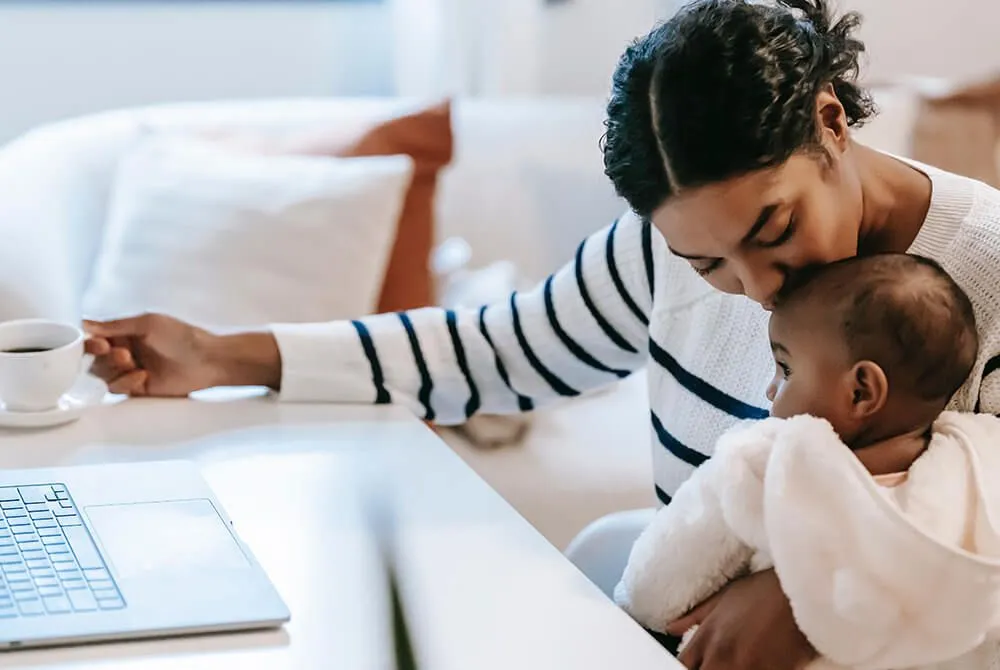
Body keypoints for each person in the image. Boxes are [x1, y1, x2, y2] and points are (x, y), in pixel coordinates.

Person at [85, 0, 1000, 667]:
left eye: (772, 232)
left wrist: (804, 607)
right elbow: (499, 352)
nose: (757, 289)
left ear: (829, 122)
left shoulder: (987, 269)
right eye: (706, 266)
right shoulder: (652, 250)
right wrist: (221, 354)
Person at [615, 254, 1000, 669]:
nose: (770, 388)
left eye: (786, 369)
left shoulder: (769, 464)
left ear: (861, 392)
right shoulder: (978, 460)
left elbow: (654, 590)